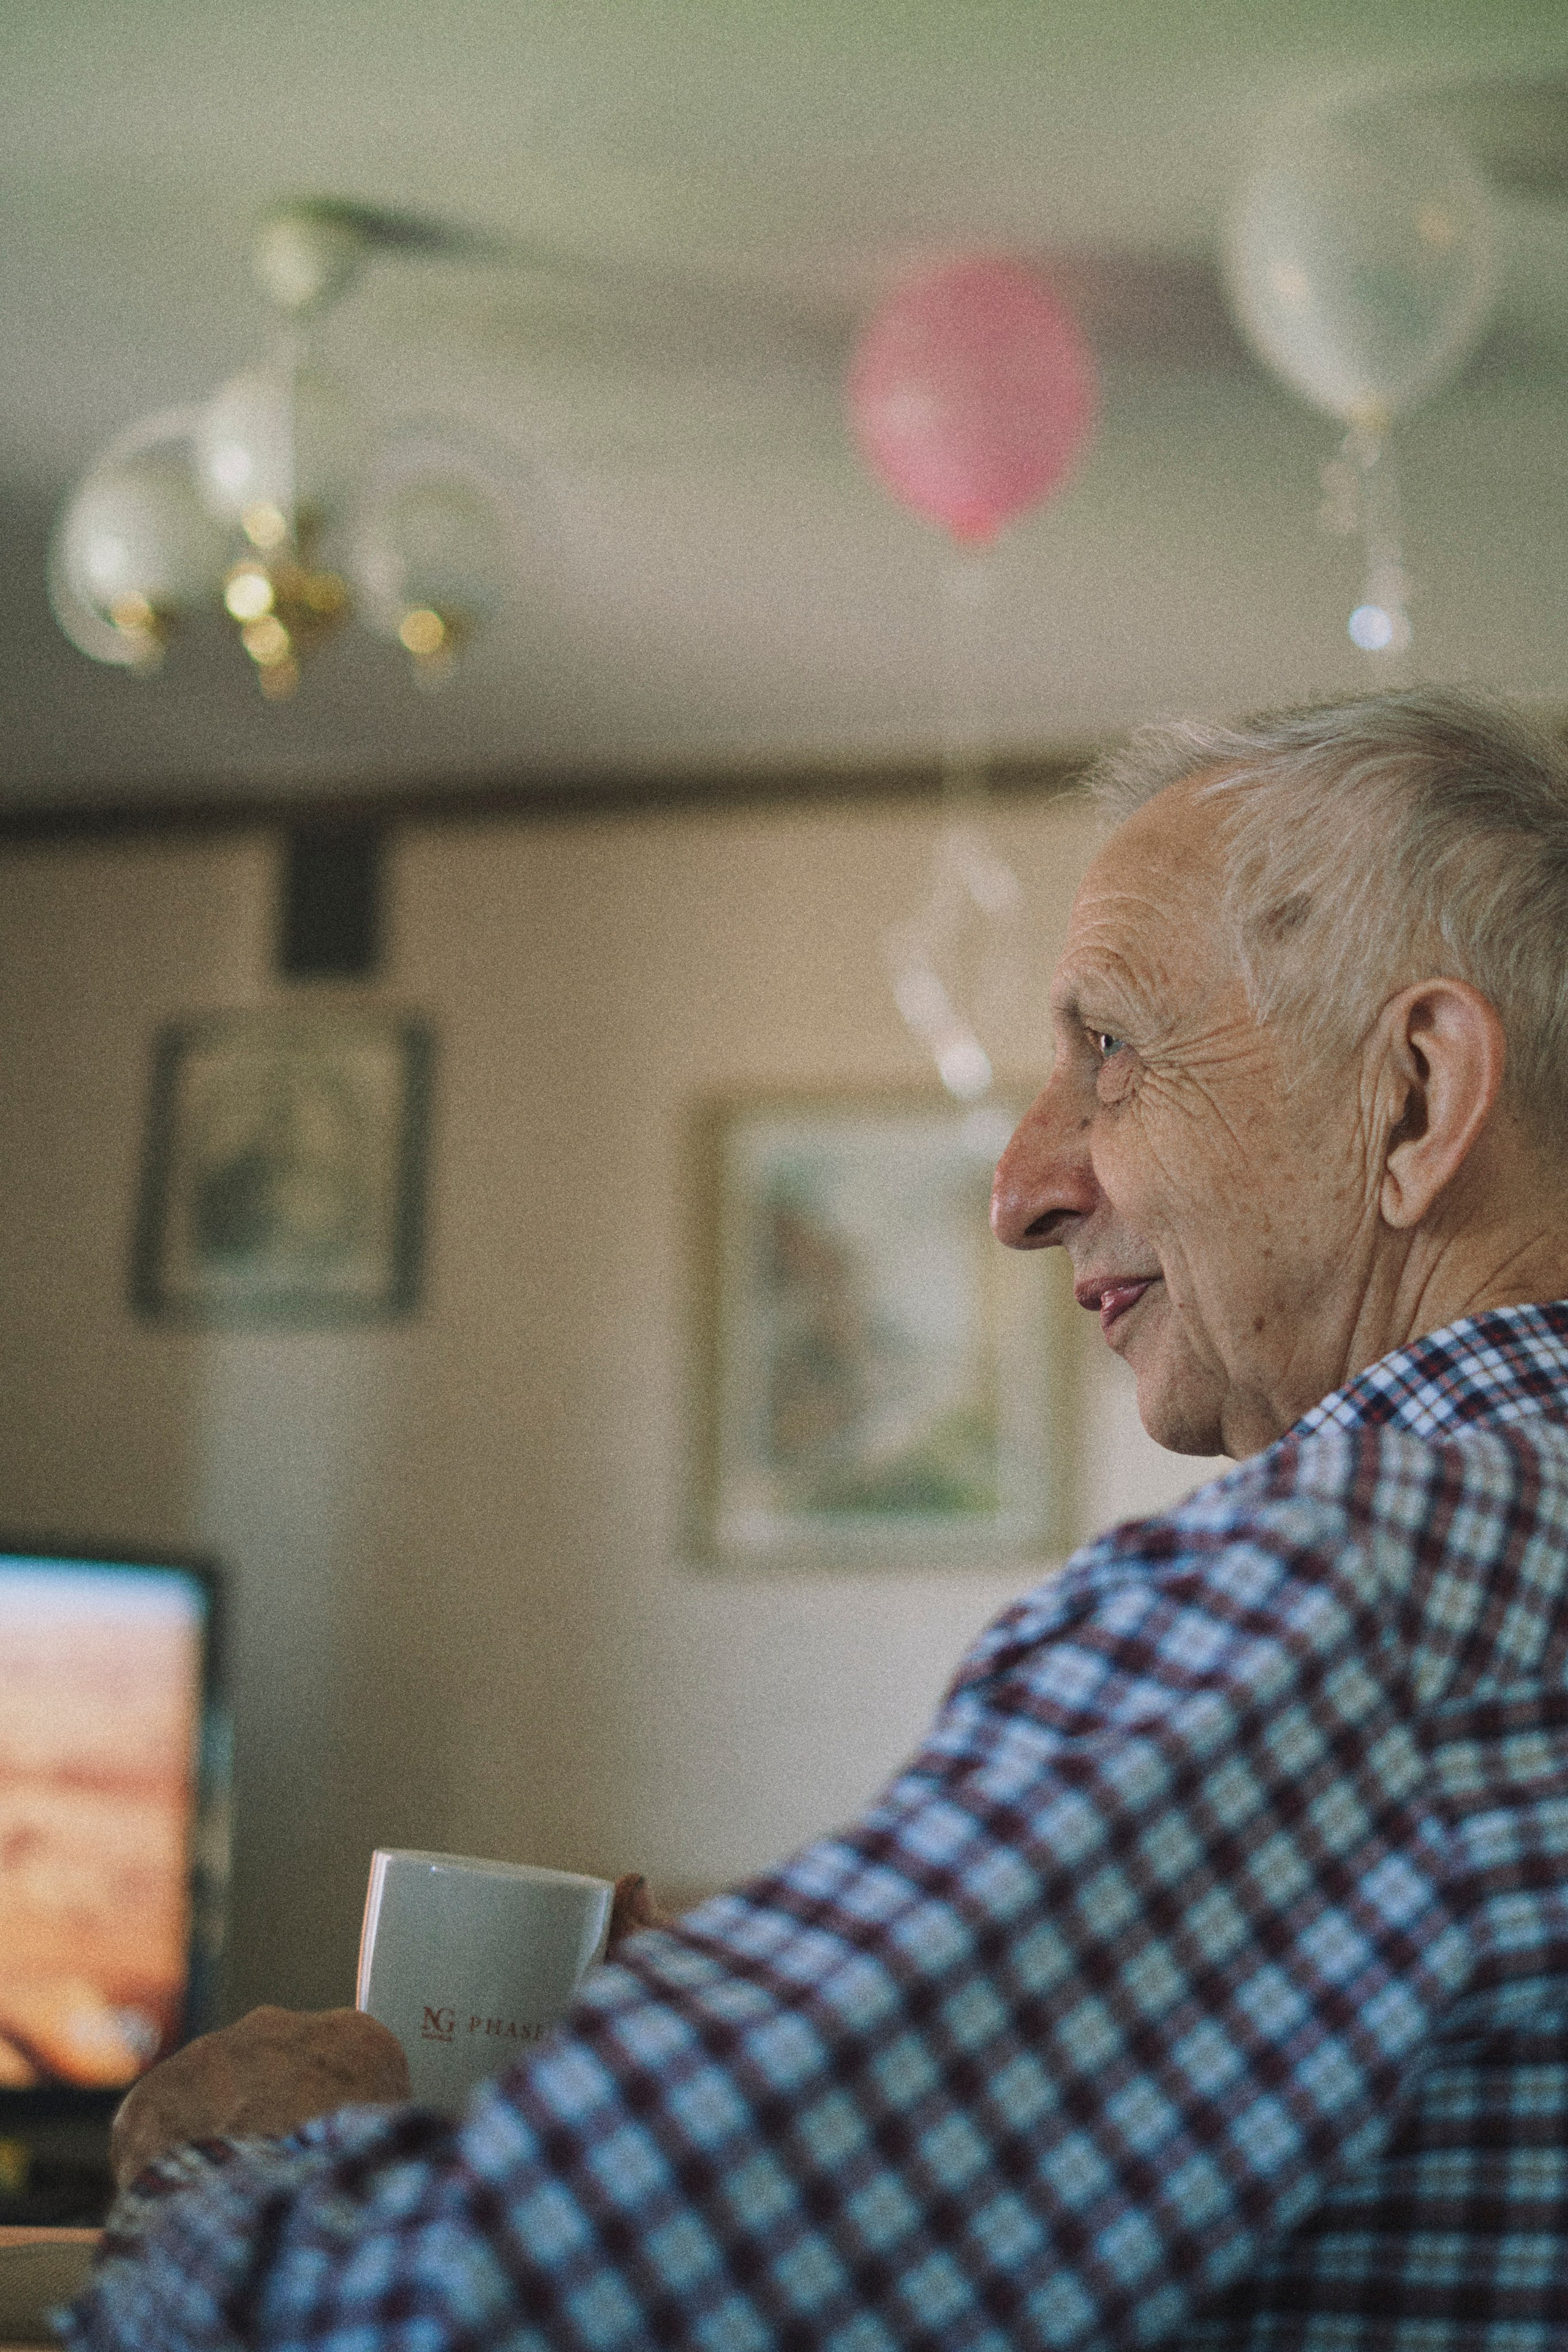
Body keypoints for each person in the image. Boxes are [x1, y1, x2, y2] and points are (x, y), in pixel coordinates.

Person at [67, 688, 1568, 2351]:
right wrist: (763, 2039)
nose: (1019, 1192)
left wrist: (239, 2170)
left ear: (1421, 1099)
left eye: (1111, 1054)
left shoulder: (1348, 1592)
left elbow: (472, 2315)